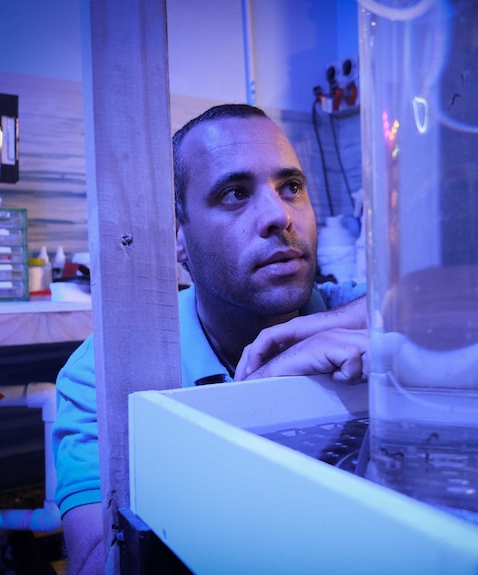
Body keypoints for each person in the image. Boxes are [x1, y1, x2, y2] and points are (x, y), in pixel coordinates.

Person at [51, 103, 368, 574]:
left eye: (292, 188)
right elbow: (98, 564)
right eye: (236, 193)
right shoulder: (102, 375)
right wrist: (254, 410)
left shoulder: (355, 316)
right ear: (177, 237)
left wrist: (379, 324)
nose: (279, 216)